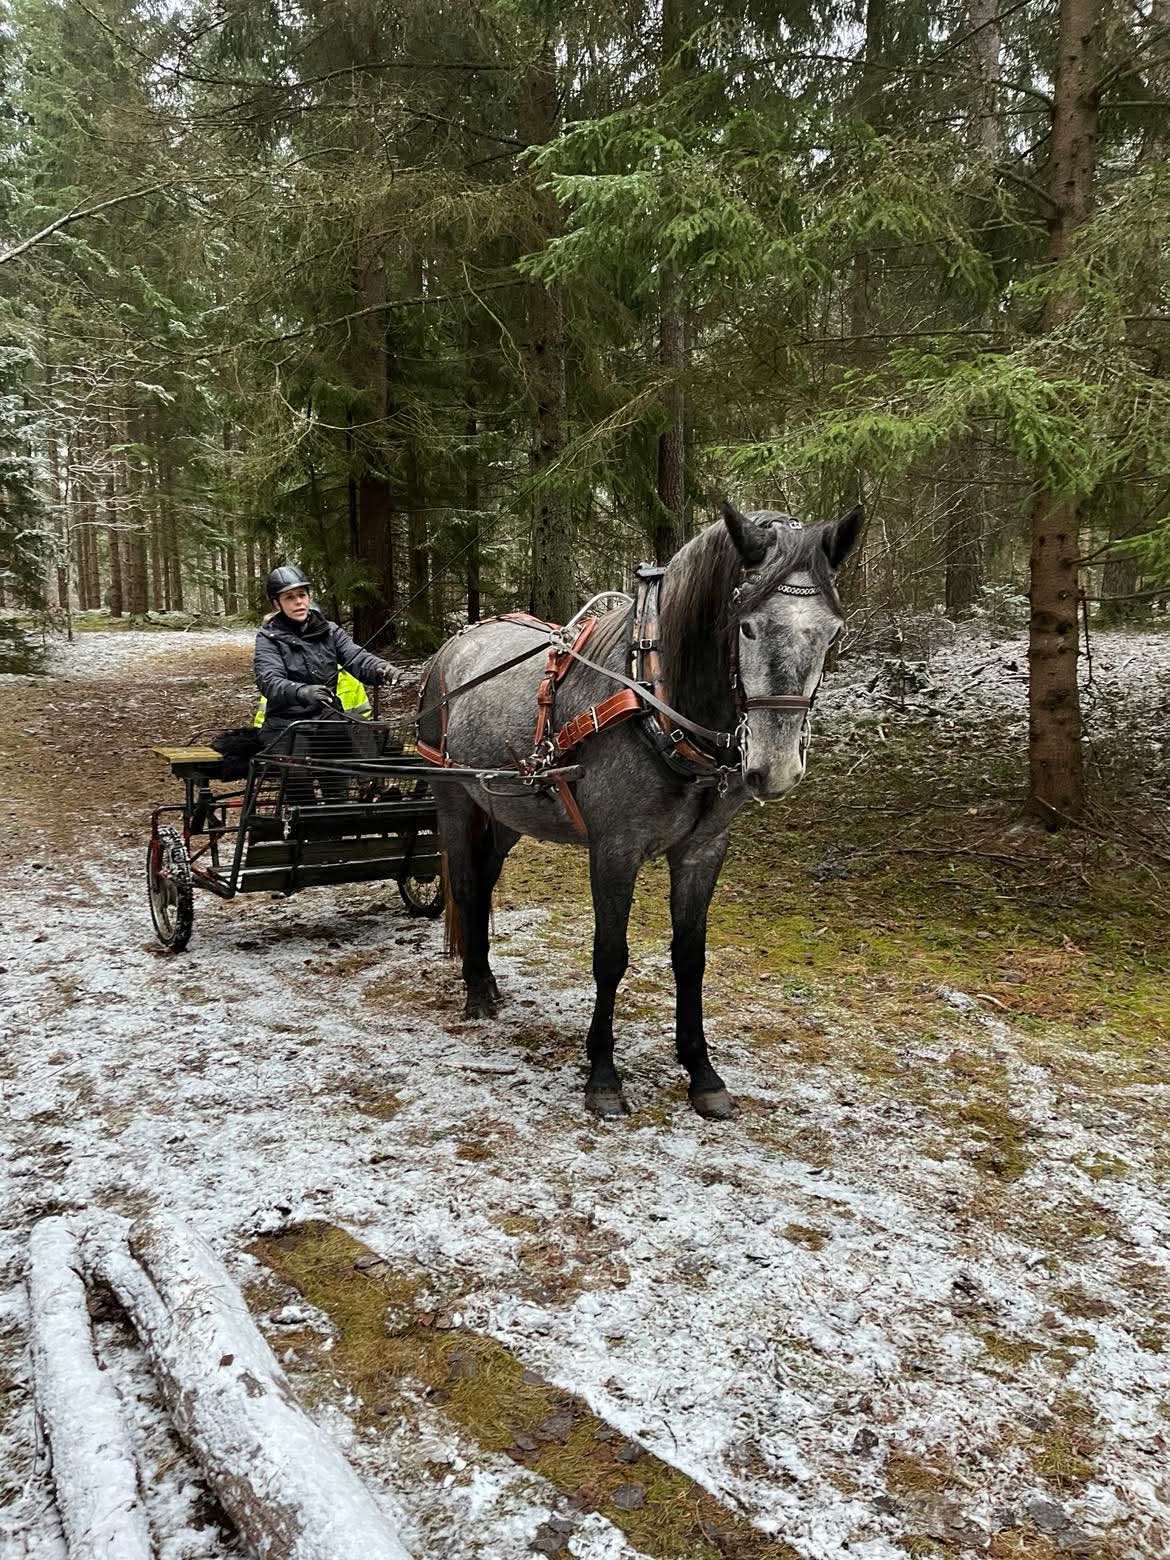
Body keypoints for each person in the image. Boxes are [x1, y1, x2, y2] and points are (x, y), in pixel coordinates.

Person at [254, 566, 392, 800]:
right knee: (297, 776)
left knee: (358, 724)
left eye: (302, 595)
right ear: (277, 604)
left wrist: (381, 668)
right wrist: (302, 691)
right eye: (290, 597)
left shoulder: (330, 630)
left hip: (327, 718)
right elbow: (269, 680)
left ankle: (373, 787)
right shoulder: (268, 638)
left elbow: (356, 657)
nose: (299, 602)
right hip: (286, 724)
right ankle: (304, 821)